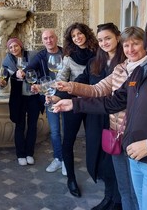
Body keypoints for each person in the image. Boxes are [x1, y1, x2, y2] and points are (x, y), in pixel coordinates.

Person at [53, 17, 147, 210]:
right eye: (127, 45)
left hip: (143, 146)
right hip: (122, 137)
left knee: (142, 200)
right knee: (126, 190)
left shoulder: (142, 69)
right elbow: (104, 95)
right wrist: (72, 98)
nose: (130, 49)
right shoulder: (126, 70)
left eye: (136, 44)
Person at [56, 22, 98, 197]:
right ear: (71, 40)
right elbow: (61, 77)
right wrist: (56, 93)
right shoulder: (69, 57)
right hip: (73, 103)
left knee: (94, 138)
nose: (77, 37)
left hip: (94, 103)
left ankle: (98, 171)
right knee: (69, 141)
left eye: (79, 34)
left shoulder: (98, 54)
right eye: (74, 36)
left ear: (86, 34)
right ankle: (71, 178)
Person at [27, 29, 66, 173]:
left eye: (51, 37)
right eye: (45, 39)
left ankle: (67, 160)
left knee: (67, 131)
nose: (49, 41)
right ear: (43, 41)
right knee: (55, 131)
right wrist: (24, 74)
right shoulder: (41, 55)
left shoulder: (65, 54)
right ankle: (59, 159)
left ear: (56, 38)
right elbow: (29, 70)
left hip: (66, 95)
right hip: (50, 98)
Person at [0, 37, 39, 165]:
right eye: (11, 47)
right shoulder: (7, 61)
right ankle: (20, 154)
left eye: (16, 46)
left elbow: (39, 69)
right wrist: (2, 83)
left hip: (33, 95)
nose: (13, 49)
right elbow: (4, 78)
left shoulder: (32, 56)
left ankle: (29, 153)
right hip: (18, 98)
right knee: (20, 125)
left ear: (21, 46)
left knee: (33, 125)